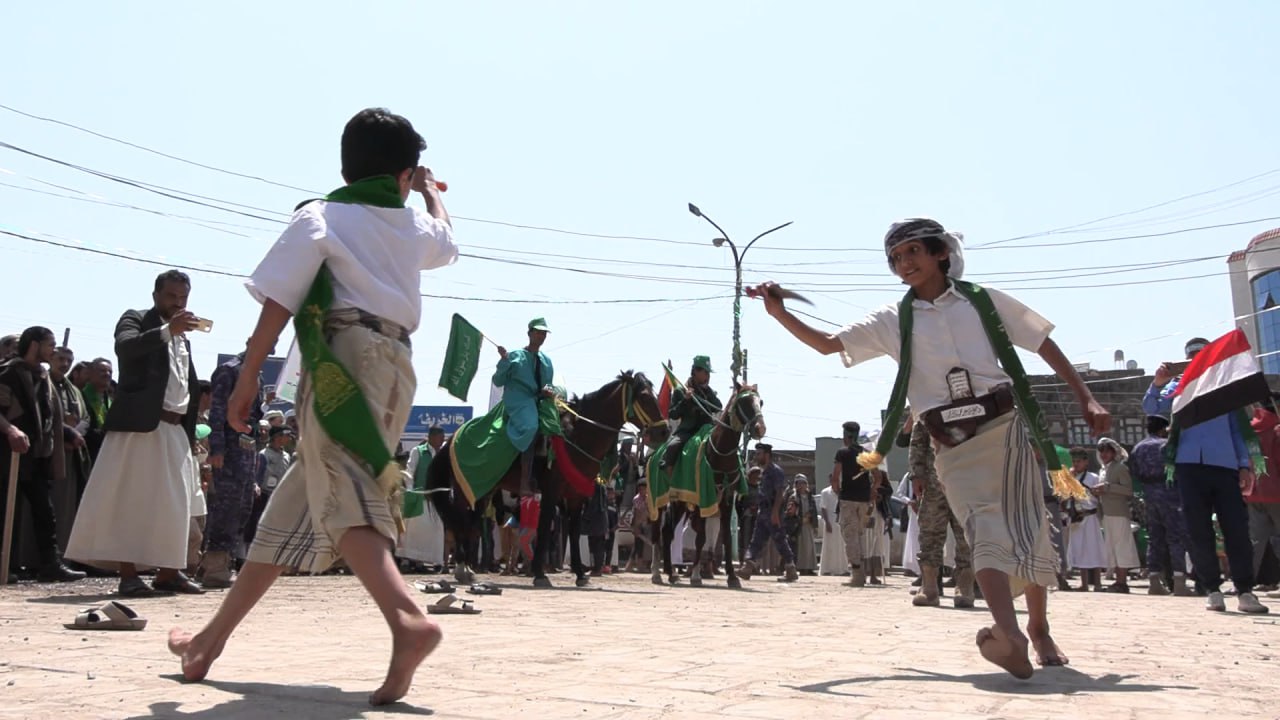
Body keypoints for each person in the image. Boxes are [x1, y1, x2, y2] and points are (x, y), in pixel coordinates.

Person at [168, 107, 458, 705]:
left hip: (343, 363)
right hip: (396, 365)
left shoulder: (322, 215)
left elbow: (280, 299)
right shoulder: (412, 225)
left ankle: (408, 619)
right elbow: (447, 240)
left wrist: (249, 376)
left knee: (343, 497)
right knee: (295, 507)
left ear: (346, 168)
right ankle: (207, 641)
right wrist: (432, 193)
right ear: (404, 176)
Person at [752, 217, 1109, 677]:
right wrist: (779, 313)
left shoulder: (981, 301)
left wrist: (1087, 397)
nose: (904, 263)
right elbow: (827, 344)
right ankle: (1009, 633)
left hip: (1003, 429)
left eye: (913, 252)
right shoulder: (890, 320)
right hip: (950, 443)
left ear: (940, 252)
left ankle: (1038, 628)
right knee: (981, 526)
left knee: (1028, 524)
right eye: (895, 258)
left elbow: (1042, 342)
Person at [65, 272, 205, 596]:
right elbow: (126, 348)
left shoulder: (183, 336)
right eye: (171, 296)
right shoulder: (137, 319)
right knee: (131, 499)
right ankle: (128, 574)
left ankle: (169, 572)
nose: (178, 303)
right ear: (156, 295)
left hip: (174, 430)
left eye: (183, 297)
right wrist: (168, 330)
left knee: (175, 505)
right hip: (140, 427)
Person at [1143, 338, 1269, 614]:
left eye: (1202, 355)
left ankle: (1245, 591)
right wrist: (1158, 383)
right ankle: (1212, 589)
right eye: (1193, 356)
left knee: (1237, 529)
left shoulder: (1224, 390)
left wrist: (1244, 465)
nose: (1197, 360)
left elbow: (1237, 430)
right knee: (1198, 531)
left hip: (1225, 466)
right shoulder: (1179, 388)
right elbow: (1153, 409)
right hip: (1189, 466)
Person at [0, 327, 85, 581]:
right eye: (50, 345)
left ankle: (50, 564)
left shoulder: (42, 376)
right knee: (5, 511)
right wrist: (11, 430)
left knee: (44, 512)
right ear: (35, 345)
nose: (53, 350)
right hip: (8, 455)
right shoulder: (9, 373)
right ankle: (5, 566)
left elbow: (47, 414)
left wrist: (68, 433)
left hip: (36, 456)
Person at [202, 342, 268, 588]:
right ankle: (214, 567)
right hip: (229, 448)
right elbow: (217, 411)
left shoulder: (256, 375)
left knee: (243, 507)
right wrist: (217, 448)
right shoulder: (229, 371)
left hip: (246, 448)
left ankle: (221, 563)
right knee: (225, 507)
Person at [1127, 414, 1189, 595]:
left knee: (1154, 539)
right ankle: (1179, 582)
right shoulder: (1167, 445)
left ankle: (1154, 581)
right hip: (1171, 495)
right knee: (1175, 538)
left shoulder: (1138, 448)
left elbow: (1134, 472)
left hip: (1150, 496)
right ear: (1163, 429)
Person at [493, 319, 554, 497]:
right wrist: (504, 361)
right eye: (538, 332)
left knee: (559, 426)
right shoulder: (514, 356)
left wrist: (549, 390)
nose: (541, 336)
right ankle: (524, 480)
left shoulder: (547, 361)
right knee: (530, 426)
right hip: (519, 399)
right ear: (529, 333)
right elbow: (498, 381)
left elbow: (548, 384)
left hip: (539, 399)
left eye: (544, 333)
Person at [738, 443, 798, 582]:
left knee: (779, 539)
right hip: (763, 511)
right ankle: (747, 568)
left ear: (767, 455)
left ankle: (791, 568)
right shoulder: (763, 472)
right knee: (756, 541)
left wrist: (775, 513)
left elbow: (779, 493)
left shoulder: (775, 471)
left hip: (772, 510)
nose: (756, 456)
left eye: (759, 454)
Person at [660, 356, 722, 473]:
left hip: (707, 429)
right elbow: (673, 414)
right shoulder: (680, 390)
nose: (708, 376)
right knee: (673, 446)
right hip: (688, 431)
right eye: (706, 372)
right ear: (696, 371)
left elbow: (718, 406)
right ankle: (670, 474)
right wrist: (686, 400)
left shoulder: (708, 391)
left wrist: (707, 391)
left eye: (709, 373)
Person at [832, 421, 874, 586]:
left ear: (846, 436)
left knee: (850, 537)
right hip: (864, 500)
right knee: (860, 535)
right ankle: (861, 571)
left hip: (848, 499)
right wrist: (871, 492)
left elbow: (835, 477)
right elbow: (878, 477)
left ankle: (857, 574)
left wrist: (838, 493)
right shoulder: (866, 453)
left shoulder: (842, 453)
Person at [1095, 437, 1139, 593]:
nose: (1104, 454)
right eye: (1102, 451)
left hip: (1119, 513)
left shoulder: (1120, 468)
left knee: (1121, 547)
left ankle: (1122, 582)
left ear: (1114, 453)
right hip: (1107, 513)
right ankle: (1118, 581)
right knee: (1112, 547)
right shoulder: (1103, 470)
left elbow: (1128, 490)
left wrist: (1108, 487)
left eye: (1107, 451)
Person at [1066, 448, 1107, 592]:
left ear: (1086, 462)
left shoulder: (1093, 477)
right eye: (1074, 461)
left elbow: (1099, 496)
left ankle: (1097, 584)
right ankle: (1084, 584)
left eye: (1079, 461)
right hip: (1076, 518)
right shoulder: (1071, 478)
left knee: (1094, 549)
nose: (1076, 464)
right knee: (1080, 550)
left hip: (1090, 517)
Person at [817, 472, 847, 575]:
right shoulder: (825, 492)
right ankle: (827, 569)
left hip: (841, 523)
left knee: (842, 546)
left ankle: (842, 569)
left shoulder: (843, 493)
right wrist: (827, 523)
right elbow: (823, 508)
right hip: (830, 523)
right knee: (829, 546)